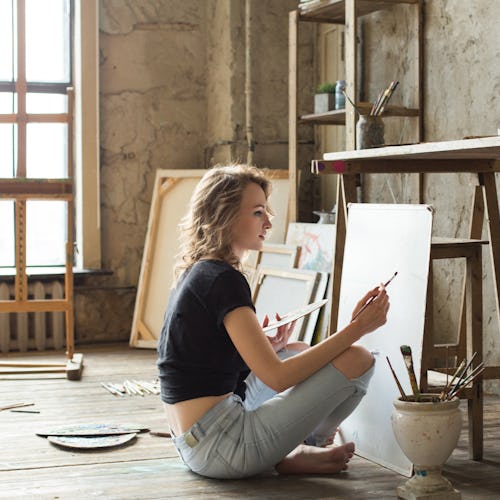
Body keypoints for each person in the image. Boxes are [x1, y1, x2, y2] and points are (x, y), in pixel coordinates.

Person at [157, 164, 390, 479]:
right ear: (223, 217)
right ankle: (308, 445)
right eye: (257, 212)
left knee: (293, 349)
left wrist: (269, 347)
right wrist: (356, 329)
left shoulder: (199, 271)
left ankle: (289, 454)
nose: (268, 221)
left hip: (194, 439)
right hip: (222, 446)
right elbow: (278, 378)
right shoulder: (224, 279)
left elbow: (202, 365)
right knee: (358, 358)